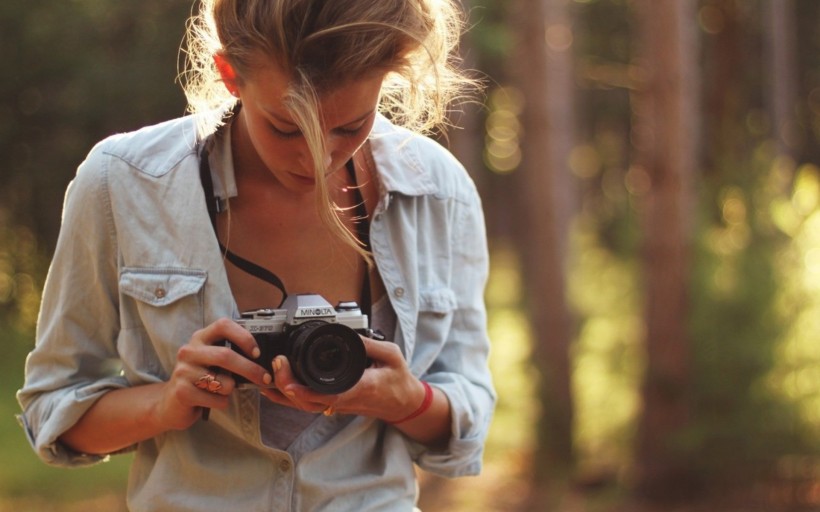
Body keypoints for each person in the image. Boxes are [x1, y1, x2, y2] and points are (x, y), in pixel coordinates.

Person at [17, 0, 495, 510]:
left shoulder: (438, 193)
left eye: (350, 127)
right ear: (230, 74)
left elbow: (467, 420)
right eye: (287, 128)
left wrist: (405, 400)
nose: (317, 156)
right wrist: (168, 402)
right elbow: (53, 413)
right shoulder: (123, 184)